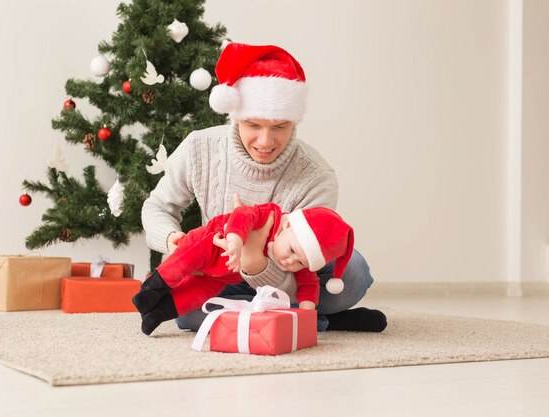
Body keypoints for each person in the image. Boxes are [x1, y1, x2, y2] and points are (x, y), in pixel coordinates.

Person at [141, 42, 387, 333]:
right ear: (235, 116)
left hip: (287, 277)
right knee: (187, 314)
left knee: (353, 272)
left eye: (280, 127)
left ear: (294, 122)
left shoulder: (316, 177)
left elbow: (302, 272)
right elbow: (157, 206)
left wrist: (255, 258)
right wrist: (172, 239)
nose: (266, 141)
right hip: (219, 273)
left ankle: (272, 315)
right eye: (253, 125)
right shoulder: (199, 148)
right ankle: (317, 320)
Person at [133, 202, 353, 335]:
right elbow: (244, 214)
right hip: (213, 242)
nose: (290, 262)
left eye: (300, 262)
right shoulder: (270, 215)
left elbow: (309, 281)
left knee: (195, 295)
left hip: (224, 277)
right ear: (287, 226)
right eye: (292, 251)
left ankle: (158, 315)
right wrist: (236, 241)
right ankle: (149, 292)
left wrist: (306, 311)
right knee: (183, 262)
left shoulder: (300, 255)